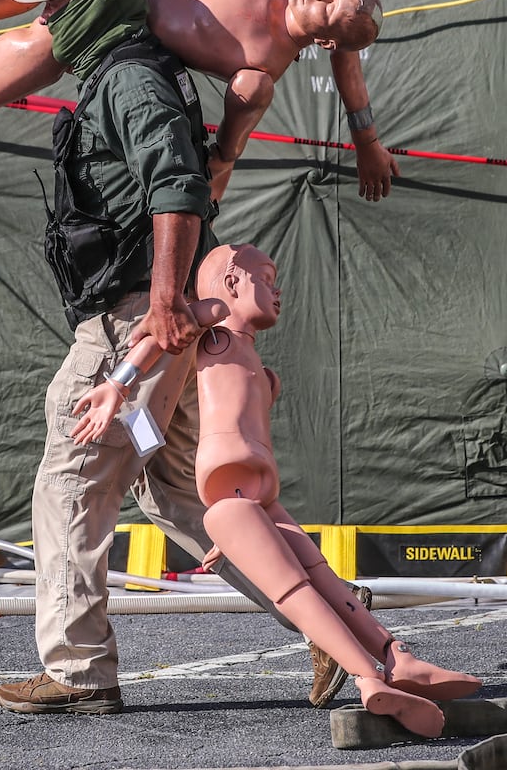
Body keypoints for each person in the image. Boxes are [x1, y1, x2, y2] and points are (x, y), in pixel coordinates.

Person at [0, 0, 299, 716]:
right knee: (191, 496)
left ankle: (78, 672)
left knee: (72, 480)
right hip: (156, 316)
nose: (49, 24)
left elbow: (177, 183)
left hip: (136, 318)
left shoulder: (127, 79)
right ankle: (334, 619)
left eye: (57, 8)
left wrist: (160, 303)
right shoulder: (136, 73)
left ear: (91, 7)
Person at [0, 0, 398, 320]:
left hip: (90, 20)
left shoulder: (259, 70)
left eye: (329, 8)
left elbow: (226, 152)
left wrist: (363, 141)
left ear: (325, 41)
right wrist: (366, 141)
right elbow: (343, 51)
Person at [69, 244, 482, 734]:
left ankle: (398, 655)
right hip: (230, 501)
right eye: (265, 277)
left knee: (325, 581)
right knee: (296, 590)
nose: (276, 289)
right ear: (231, 282)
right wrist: (117, 385)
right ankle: (369, 678)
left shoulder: (251, 361)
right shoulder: (216, 326)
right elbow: (159, 332)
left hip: (260, 497)